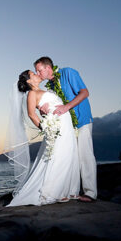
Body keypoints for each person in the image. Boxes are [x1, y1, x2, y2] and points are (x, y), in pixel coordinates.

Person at [5, 70, 82, 206]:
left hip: (66, 123)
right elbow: (31, 114)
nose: (36, 74)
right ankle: (54, 192)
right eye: (33, 74)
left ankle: (68, 190)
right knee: (58, 155)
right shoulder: (32, 94)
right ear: (29, 81)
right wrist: (45, 128)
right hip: (54, 127)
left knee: (68, 153)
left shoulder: (46, 90)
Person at [35, 56, 97, 202]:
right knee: (71, 157)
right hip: (67, 126)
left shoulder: (68, 72)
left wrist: (66, 107)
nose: (37, 74)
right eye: (36, 71)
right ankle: (71, 191)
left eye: (39, 70)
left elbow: (84, 92)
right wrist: (44, 110)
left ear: (48, 68)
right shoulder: (49, 86)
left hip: (81, 119)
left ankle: (90, 192)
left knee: (85, 155)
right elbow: (55, 105)